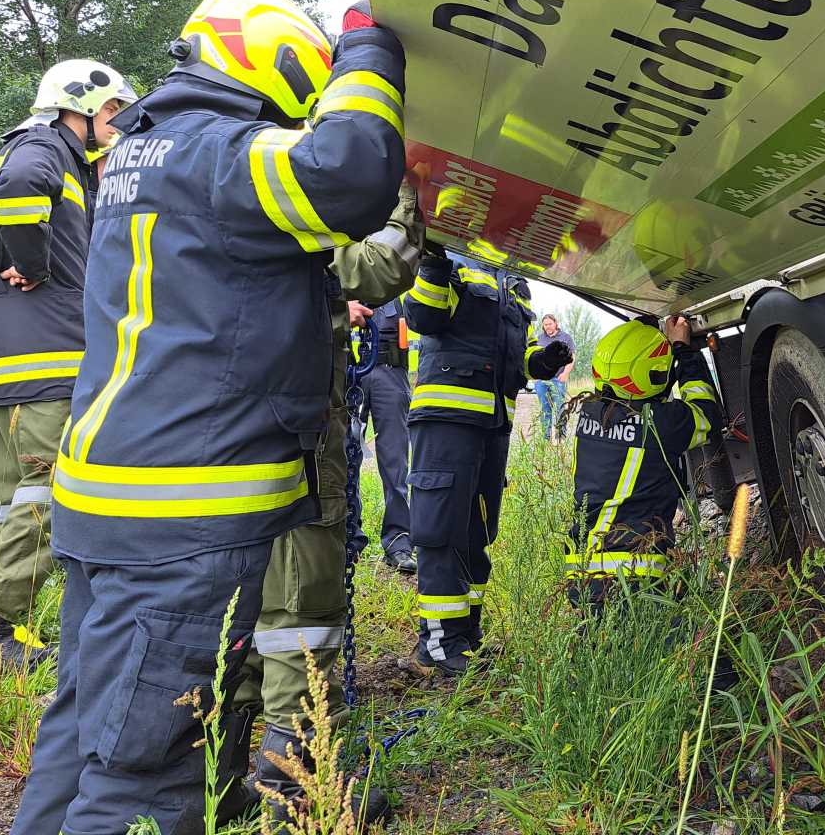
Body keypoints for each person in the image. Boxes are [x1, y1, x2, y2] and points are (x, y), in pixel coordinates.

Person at [10, 0, 407, 835]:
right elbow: (353, 174)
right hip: (178, 519)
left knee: (86, 731)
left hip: (112, 499)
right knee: (148, 775)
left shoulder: (141, 152)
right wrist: (369, 55)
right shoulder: (222, 154)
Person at [230, 185, 423, 828]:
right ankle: (296, 787)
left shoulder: (182, 180)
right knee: (301, 610)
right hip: (291, 435)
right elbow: (382, 266)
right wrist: (405, 194)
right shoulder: (275, 186)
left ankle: (224, 773)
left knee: (240, 609)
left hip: (218, 438)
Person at [0, 59, 136, 668]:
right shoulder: (41, 148)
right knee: (49, 488)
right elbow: (20, 189)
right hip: (38, 359)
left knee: (6, 495)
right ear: (76, 107)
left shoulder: (49, 156)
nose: (116, 122)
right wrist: (30, 263)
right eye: (110, 110)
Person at [403, 248, 572, 675]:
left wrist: (545, 361)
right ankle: (438, 643)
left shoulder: (517, 283)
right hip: (446, 422)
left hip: (493, 425)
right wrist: (433, 263)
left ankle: (466, 636)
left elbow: (522, 355)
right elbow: (423, 317)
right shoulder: (454, 264)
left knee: (479, 531)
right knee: (441, 532)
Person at [566, 317, 722, 591]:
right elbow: (707, 415)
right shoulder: (660, 423)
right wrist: (682, 350)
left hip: (581, 574)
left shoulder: (587, 414)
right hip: (634, 576)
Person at [353, 291, 416, 573]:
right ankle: (347, 539)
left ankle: (399, 543)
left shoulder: (401, 278)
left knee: (395, 464)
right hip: (349, 373)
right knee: (343, 459)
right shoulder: (343, 270)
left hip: (392, 374)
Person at [531, 313, 574, 441]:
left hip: (558, 379)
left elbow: (572, 358)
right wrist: (535, 376)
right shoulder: (539, 339)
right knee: (545, 408)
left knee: (560, 408)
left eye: (550, 324)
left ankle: (561, 436)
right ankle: (546, 438)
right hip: (541, 381)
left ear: (556, 323)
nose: (548, 327)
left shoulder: (565, 338)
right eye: (545, 325)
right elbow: (533, 358)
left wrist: (565, 373)